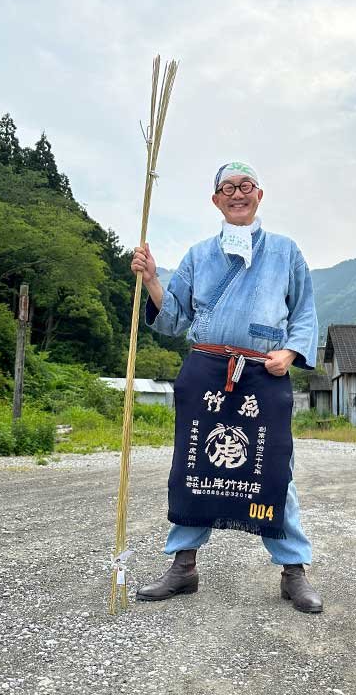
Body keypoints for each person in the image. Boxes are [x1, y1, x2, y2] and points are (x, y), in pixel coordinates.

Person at [130, 162, 322, 613]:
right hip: (207, 369)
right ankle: (183, 566)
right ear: (215, 199)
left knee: (275, 469)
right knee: (193, 465)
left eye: (245, 186)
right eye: (227, 188)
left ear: (260, 194)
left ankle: (293, 570)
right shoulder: (198, 255)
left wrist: (291, 354)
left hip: (264, 371)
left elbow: (305, 312)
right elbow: (174, 319)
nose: (237, 194)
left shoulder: (285, 251)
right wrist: (153, 278)